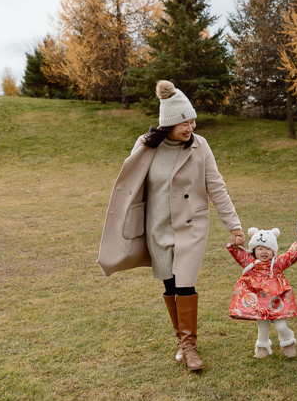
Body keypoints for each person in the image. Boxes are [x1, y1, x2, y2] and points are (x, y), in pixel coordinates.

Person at [97, 80, 244, 371]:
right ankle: (181, 340)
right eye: (183, 123)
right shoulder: (146, 146)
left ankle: (189, 347)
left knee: (185, 283)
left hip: (192, 226)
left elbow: (217, 187)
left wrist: (234, 226)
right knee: (170, 284)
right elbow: (130, 183)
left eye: (192, 121)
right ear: (168, 125)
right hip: (158, 226)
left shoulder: (200, 146)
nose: (190, 128)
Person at [227, 227, 297, 359]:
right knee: (262, 325)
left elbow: (290, 256)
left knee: (281, 325)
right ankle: (263, 347)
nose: (264, 252)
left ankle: (288, 340)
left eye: (268, 249)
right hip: (259, 301)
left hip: (278, 300)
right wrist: (236, 242)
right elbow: (237, 252)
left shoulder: (277, 263)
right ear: (254, 250)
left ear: (273, 250)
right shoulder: (250, 263)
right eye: (260, 249)